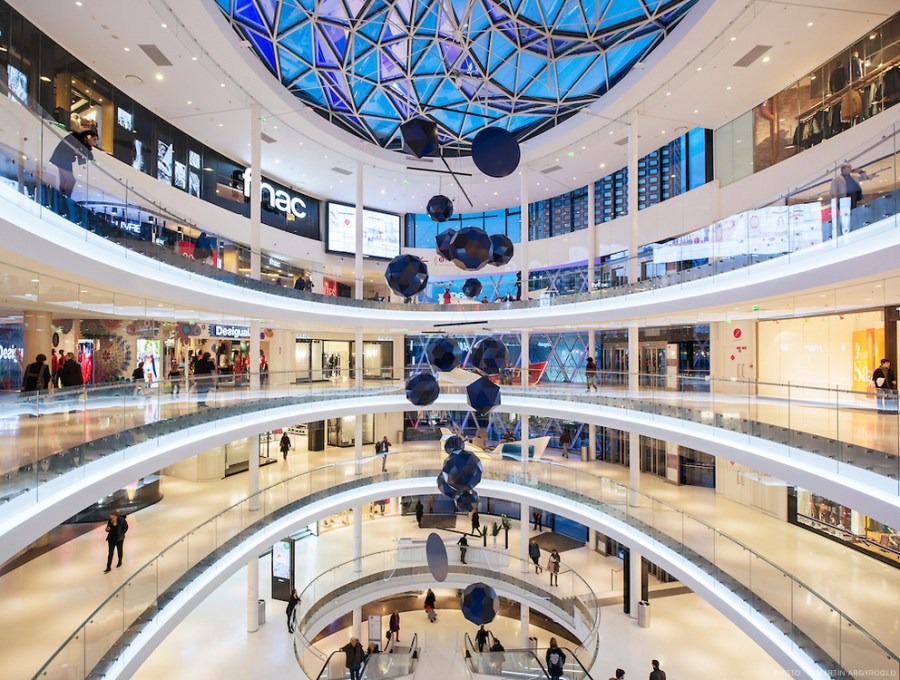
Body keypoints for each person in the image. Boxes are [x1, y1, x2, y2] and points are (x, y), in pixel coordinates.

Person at [48, 129, 97, 211]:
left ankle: (62, 198)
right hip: (63, 158)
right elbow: (88, 155)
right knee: (70, 180)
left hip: (62, 158)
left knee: (64, 180)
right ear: (88, 137)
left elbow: (86, 155)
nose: (94, 142)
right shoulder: (77, 139)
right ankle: (66, 199)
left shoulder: (77, 139)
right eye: (94, 139)